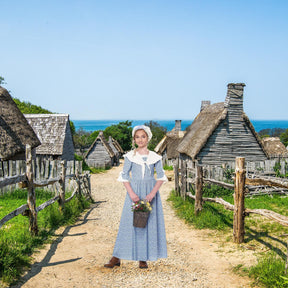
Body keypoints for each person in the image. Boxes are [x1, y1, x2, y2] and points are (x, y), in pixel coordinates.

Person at [104, 125, 168, 269]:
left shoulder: (155, 157)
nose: (140, 139)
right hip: (134, 193)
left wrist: (152, 194)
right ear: (134, 139)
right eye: (137, 137)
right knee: (128, 224)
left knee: (147, 224)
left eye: (143, 136)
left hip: (150, 195)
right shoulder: (130, 157)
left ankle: (142, 258)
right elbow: (125, 176)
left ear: (148, 138)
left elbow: (161, 177)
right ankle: (116, 257)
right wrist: (132, 194)